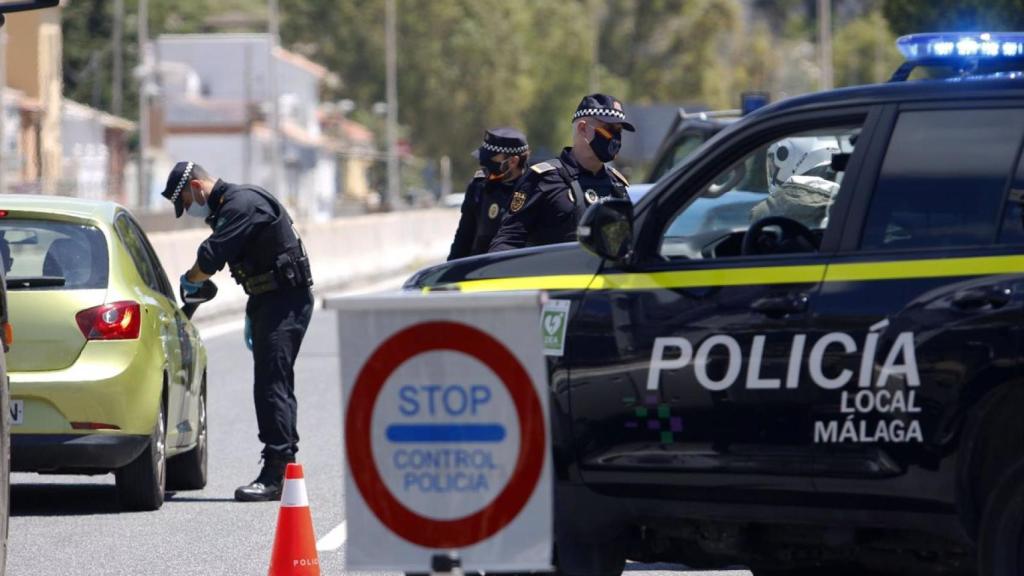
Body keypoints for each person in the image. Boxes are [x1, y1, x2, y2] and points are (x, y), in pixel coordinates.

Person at [160, 161, 314, 502]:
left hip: (284, 301)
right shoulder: (231, 207)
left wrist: (191, 278)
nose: (190, 209)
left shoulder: (242, 204)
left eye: (186, 200)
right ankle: (283, 467)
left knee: (271, 383)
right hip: (268, 299)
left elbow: (212, 256)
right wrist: (252, 307)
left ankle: (277, 471)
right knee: (274, 382)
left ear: (198, 186)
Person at [488, 93, 634, 252]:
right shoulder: (543, 179)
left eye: (619, 131)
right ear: (583, 128)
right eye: (609, 129)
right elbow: (507, 242)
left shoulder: (616, 185)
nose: (616, 137)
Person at [447, 128, 530, 260]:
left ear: (513, 161)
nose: (484, 164)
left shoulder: (535, 190)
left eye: (491, 159)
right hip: (480, 270)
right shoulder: (479, 187)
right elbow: (464, 237)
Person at [749, 136, 842, 229]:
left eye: (773, 162)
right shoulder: (849, 194)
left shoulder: (766, 212)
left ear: (785, 158)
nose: (772, 167)